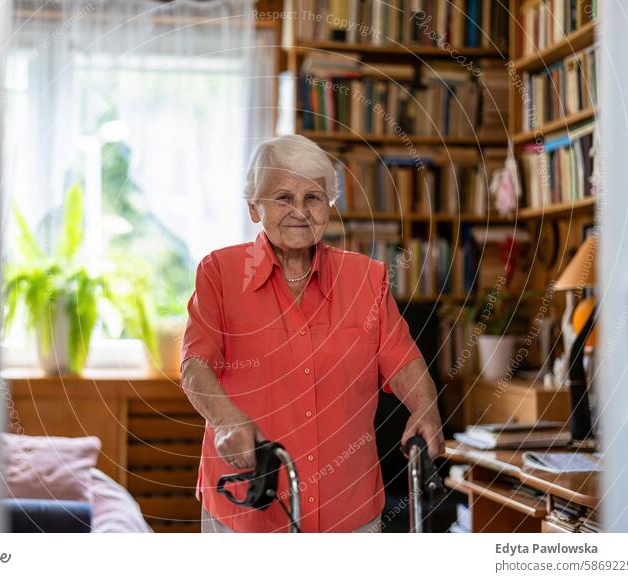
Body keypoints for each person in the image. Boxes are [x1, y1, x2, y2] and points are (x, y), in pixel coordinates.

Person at [180, 134, 443, 533]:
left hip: (350, 510)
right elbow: (194, 366)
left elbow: (402, 359)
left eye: (314, 197)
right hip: (248, 511)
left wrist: (426, 405)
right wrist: (227, 420)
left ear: (330, 207)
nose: (299, 211)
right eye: (283, 197)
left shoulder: (366, 279)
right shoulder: (219, 273)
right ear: (255, 207)